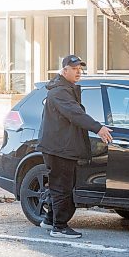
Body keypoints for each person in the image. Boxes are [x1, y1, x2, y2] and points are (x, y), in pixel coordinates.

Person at [37, 55, 113, 238]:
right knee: (62, 187)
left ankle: (50, 220)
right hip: (59, 148)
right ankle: (60, 227)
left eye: (80, 68)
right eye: (74, 68)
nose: (79, 71)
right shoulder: (59, 92)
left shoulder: (65, 89)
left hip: (61, 146)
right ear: (64, 70)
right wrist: (98, 128)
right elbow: (75, 113)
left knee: (61, 185)